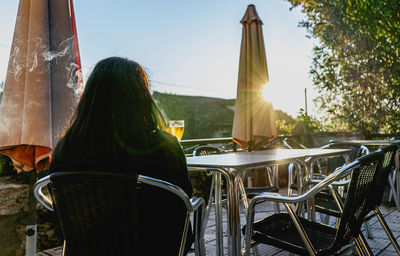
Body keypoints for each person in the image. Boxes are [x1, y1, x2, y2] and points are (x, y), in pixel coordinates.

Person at [48, 56, 193, 254]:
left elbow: (61, 215)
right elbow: (184, 198)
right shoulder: (163, 146)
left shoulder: (66, 149)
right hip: (155, 248)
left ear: (91, 97)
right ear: (141, 97)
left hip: (88, 249)